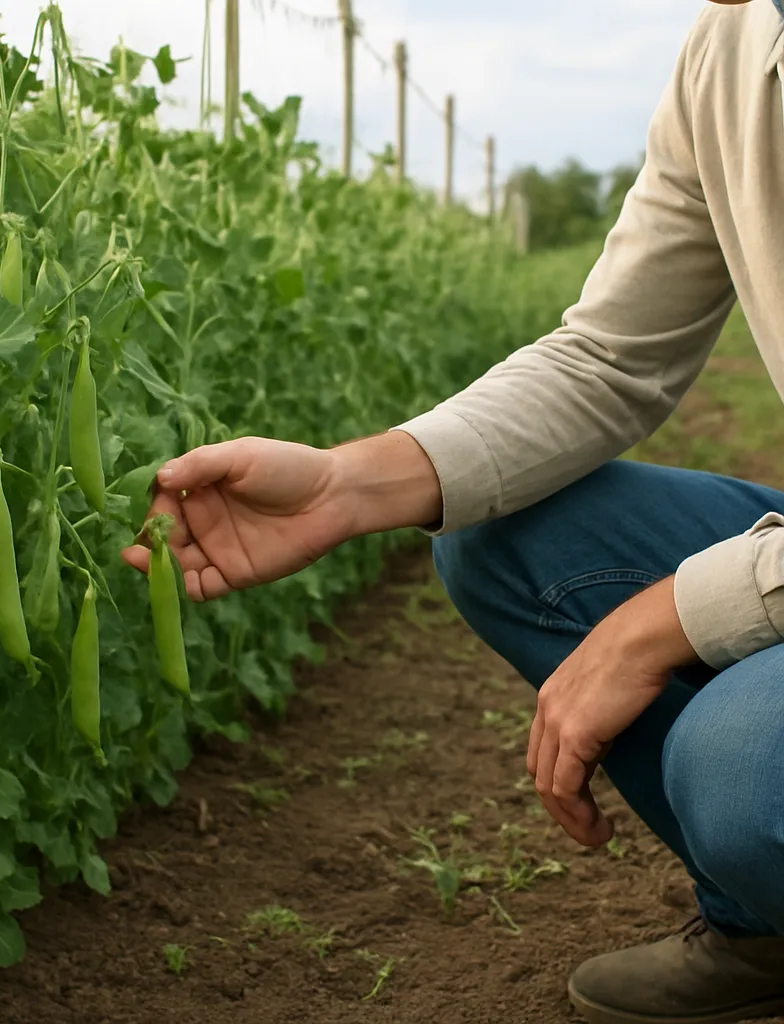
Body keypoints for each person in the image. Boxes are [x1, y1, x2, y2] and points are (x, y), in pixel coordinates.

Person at [123, 1, 784, 1021]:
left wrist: (663, 620)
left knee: (743, 766)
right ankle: (766, 929)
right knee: (504, 531)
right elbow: (607, 357)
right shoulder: (732, 42)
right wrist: (346, 486)